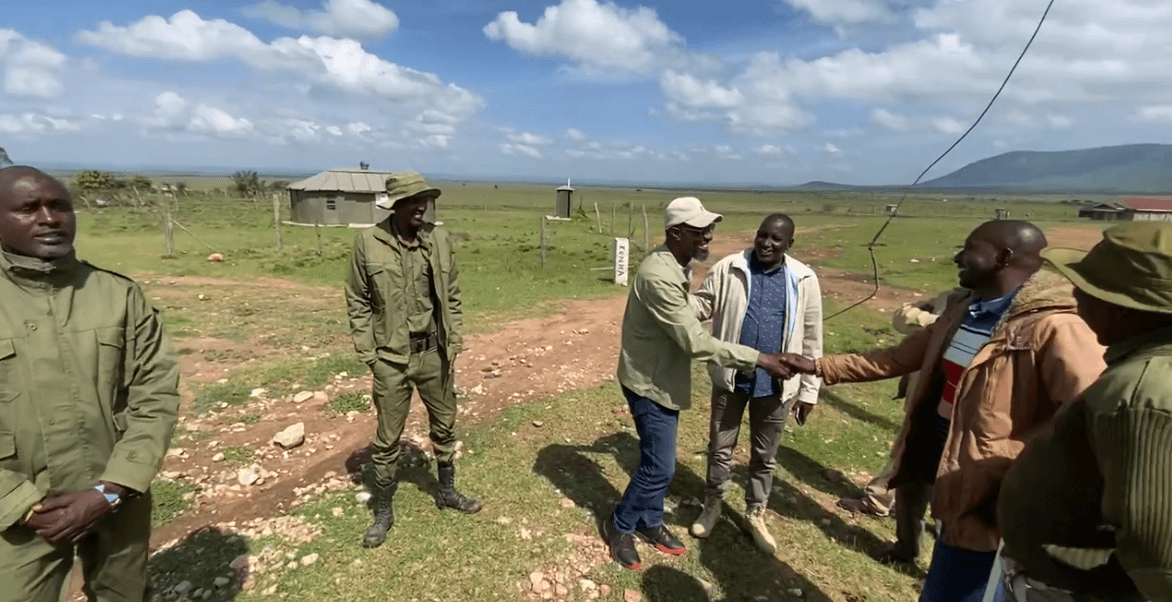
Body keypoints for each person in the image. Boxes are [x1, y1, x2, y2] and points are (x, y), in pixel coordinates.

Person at [782, 220, 1106, 602]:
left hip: (991, 475)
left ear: (1003, 257)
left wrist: (1021, 471)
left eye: (969, 249)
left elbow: (1090, 416)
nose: (957, 257)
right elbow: (895, 359)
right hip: (941, 441)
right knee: (948, 540)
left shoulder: (1055, 326)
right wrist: (817, 366)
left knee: (966, 569)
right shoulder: (965, 311)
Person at [0, 166, 180, 602]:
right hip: (19, 512)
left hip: (116, 496)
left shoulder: (117, 295)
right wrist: (18, 502)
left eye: (59, 206)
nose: (49, 219)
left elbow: (156, 394)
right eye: (28, 209)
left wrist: (113, 488)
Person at [605, 196, 795, 570]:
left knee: (658, 460)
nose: (708, 236)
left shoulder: (677, 263)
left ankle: (649, 520)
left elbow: (687, 311)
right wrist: (761, 359)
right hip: (649, 383)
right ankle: (620, 524)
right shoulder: (658, 274)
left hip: (663, 377)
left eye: (709, 229)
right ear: (676, 233)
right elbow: (695, 341)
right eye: (699, 231)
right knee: (659, 468)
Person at [996, 223, 1172, 602]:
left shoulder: (1141, 393)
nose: (1076, 294)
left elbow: (1157, 557)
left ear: (1127, 308)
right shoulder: (1143, 368)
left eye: (1091, 288)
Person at [345, 171, 480, 549]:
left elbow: (452, 294)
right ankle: (383, 512)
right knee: (387, 438)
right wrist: (369, 353)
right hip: (391, 359)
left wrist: (454, 339)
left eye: (425, 199)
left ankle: (447, 491)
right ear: (396, 206)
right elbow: (357, 300)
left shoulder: (438, 240)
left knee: (445, 425)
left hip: (435, 354)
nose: (422, 206)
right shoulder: (368, 243)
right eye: (413, 201)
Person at [687, 213, 823, 554]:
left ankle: (755, 513)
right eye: (762, 235)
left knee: (765, 456)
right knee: (720, 448)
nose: (766, 243)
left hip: (778, 385)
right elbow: (702, 306)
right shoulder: (729, 268)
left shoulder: (804, 278)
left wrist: (809, 391)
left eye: (776, 239)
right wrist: (672, 287)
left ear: (789, 244)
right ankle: (712, 505)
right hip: (731, 378)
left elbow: (812, 338)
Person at [837, 288, 961, 566]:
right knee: (910, 472)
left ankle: (941, 571)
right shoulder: (953, 297)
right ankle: (904, 544)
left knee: (949, 495)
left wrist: (941, 323)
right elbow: (902, 319)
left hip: (960, 418)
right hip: (925, 399)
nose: (960, 265)